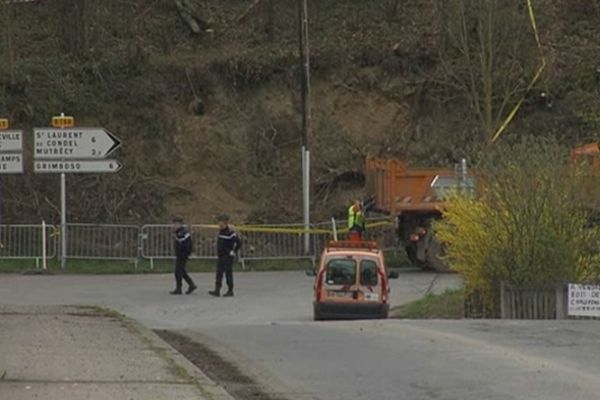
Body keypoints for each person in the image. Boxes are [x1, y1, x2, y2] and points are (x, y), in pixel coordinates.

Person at [209, 214, 241, 297]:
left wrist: (234, 251)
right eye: (219, 222)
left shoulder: (230, 233)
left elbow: (239, 242)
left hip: (227, 256)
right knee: (219, 273)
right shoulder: (221, 232)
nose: (220, 224)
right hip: (220, 256)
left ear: (225, 223)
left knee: (228, 273)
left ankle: (230, 290)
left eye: (221, 222)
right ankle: (217, 290)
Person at [170, 217, 197, 295]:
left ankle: (179, 288)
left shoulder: (183, 233)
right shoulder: (178, 233)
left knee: (178, 271)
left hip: (183, 255)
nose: (174, 226)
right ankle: (191, 284)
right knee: (182, 271)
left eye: (175, 224)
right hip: (180, 254)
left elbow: (187, 245)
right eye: (173, 224)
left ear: (180, 224)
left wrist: (186, 253)